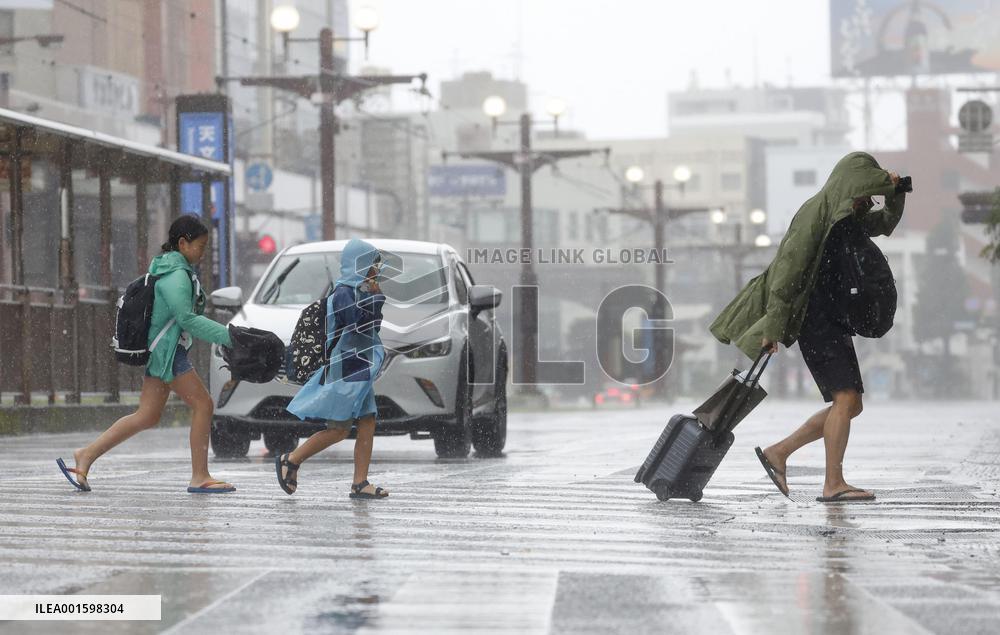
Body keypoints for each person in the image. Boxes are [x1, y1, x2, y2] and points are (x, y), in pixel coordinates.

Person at [709, 152, 906, 503]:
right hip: (815, 318)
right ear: (849, 185)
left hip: (833, 317)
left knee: (851, 404)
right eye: (863, 192)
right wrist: (773, 327)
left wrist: (895, 193)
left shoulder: (848, 215)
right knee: (845, 399)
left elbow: (885, 224)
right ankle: (833, 484)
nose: (865, 200)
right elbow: (787, 270)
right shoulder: (817, 212)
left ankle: (779, 453)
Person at [57, 215, 236, 494]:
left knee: (147, 416)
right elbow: (186, 319)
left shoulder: (167, 269)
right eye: (200, 246)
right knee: (204, 405)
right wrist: (229, 336)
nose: (203, 252)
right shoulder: (177, 275)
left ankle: (86, 455)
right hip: (167, 354)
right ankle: (200, 475)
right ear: (182, 243)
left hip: (159, 352)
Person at [277, 238, 390, 499]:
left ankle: (360, 483)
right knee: (339, 428)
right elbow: (357, 325)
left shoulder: (359, 291)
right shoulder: (344, 293)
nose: (376, 270)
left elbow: (372, 325)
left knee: (367, 421)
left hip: (358, 367)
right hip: (346, 369)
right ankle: (291, 460)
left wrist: (375, 298)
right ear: (359, 265)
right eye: (372, 264)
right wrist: (376, 299)